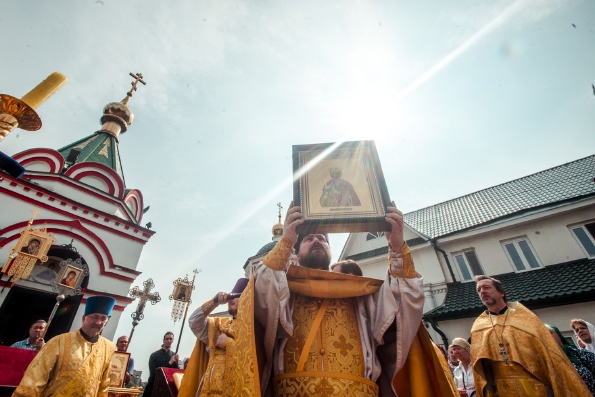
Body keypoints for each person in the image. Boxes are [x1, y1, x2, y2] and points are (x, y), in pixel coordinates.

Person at [219, 201, 458, 396]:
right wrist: (286, 241)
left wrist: (397, 247)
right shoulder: (285, 292)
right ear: (296, 252)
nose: (317, 241)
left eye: (322, 239)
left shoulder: (361, 294)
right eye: (309, 238)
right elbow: (257, 296)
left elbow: (402, 299)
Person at [471, 275, 591, 396]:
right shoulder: (478, 327)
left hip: (533, 385)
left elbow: (549, 354)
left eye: (486, 287)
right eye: (479, 290)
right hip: (501, 388)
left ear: (501, 292)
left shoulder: (525, 319)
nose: (482, 292)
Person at [14, 296, 116, 396]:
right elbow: (35, 377)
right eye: (95, 317)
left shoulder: (108, 347)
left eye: (103, 319)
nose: (98, 322)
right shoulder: (58, 341)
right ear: (84, 318)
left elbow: (104, 384)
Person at [188, 277, 249, 396]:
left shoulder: (251, 329)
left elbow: (252, 359)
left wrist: (228, 344)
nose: (230, 301)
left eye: (235, 298)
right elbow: (194, 322)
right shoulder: (218, 324)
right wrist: (214, 302)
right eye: (230, 297)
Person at [547, 325, 595, 395]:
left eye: (550, 332)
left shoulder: (581, 354)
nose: (547, 336)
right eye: (543, 334)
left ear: (558, 335)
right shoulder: (547, 364)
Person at [143, 331, 180, 397]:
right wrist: (169, 363)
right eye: (167, 339)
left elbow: (176, 374)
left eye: (170, 339)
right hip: (153, 388)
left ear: (173, 340)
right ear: (164, 340)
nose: (168, 341)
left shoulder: (173, 356)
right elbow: (154, 374)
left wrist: (176, 362)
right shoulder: (154, 355)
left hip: (167, 389)